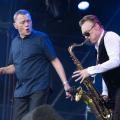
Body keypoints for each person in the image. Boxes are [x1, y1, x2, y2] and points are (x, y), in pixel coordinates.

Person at [0, 9, 71, 120]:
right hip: (20, 90)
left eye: (29, 21)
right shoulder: (14, 42)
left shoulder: (41, 38)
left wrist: (65, 83)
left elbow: (55, 60)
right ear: (15, 25)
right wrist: (2, 70)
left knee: (34, 117)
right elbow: (14, 66)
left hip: (39, 87)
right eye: (23, 22)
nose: (27, 24)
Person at [72, 15, 120, 111]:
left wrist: (90, 70)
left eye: (87, 33)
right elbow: (106, 72)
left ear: (97, 26)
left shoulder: (109, 36)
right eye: (84, 35)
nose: (86, 37)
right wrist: (105, 93)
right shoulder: (97, 47)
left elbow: (116, 61)